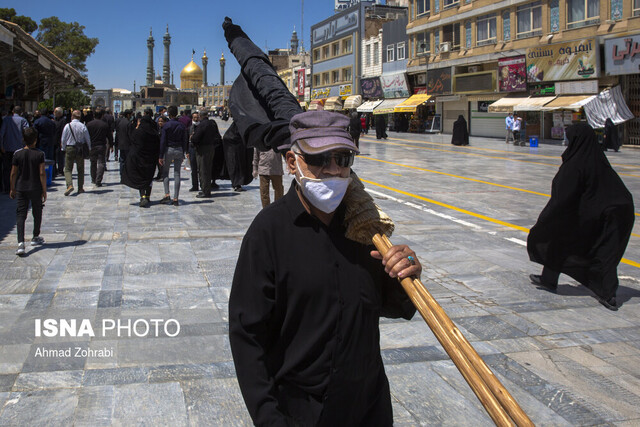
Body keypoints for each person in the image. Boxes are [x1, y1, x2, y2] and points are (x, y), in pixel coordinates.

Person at [229, 111, 419, 426]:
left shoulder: (364, 228)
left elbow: (389, 302)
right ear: (292, 162)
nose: (333, 170)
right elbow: (248, 334)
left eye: (343, 158)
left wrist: (407, 271)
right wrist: (269, 417)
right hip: (301, 413)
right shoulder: (269, 232)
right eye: (319, 159)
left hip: (368, 407)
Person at [527, 122, 634, 311]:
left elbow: (562, 198)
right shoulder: (597, 160)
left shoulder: (575, 165)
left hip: (606, 214)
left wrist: (545, 221)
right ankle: (549, 279)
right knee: (589, 246)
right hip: (620, 210)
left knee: (595, 250)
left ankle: (607, 293)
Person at [9, 127, 46, 256]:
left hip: (21, 188)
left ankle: (20, 243)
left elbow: (13, 173)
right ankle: (35, 236)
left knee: (21, 214)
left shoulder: (17, 154)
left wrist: (12, 188)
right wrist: (44, 190)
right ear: (35, 140)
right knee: (37, 211)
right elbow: (42, 173)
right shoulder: (40, 154)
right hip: (35, 187)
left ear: (23, 140)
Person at [121, 108, 160, 208]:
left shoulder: (139, 131)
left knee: (140, 177)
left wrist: (137, 127)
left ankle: (142, 196)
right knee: (149, 178)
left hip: (140, 158)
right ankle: (147, 196)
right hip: (151, 158)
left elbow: (132, 140)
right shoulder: (154, 132)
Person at [158, 105, 188, 206]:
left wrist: (161, 156)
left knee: (165, 172)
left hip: (169, 150)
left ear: (169, 114)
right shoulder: (182, 126)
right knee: (177, 174)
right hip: (179, 149)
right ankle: (176, 198)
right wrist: (183, 152)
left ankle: (167, 194)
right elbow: (185, 140)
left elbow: (163, 141)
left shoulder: (166, 126)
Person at [191, 110, 221, 198]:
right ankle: (205, 189)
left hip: (203, 149)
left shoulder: (202, 125)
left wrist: (192, 137)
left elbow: (196, 138)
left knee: (203, 170)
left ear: (200, 116)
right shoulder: (212, 124)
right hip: (211, 148)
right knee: (207, 169)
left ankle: (205, 191)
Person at [61, 110, 91, 196]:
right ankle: (80, 188)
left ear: (72, 116)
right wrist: (89, 148)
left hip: (69, 147)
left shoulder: (67, 126)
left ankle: (69, 185)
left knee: (67, 168)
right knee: (80, 169)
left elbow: (63, 139)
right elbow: (87, 138)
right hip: (80, 149)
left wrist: (63, 148)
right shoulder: (83, 126)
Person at [1, 106, 29, 193]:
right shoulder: (23, 120)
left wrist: (1, 146)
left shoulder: (6, 120)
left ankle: (7, 188)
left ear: (13, 111)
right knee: (20, 169)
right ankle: (18, 187)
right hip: (19, 149)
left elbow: (1, 134)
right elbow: (27, 133)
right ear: (21, 112)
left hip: (7, 148)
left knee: (7, 169)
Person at [86, 108, 110, 187]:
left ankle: (93, 179)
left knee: (93, 162)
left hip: (92, 146)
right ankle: (98, 180)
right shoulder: (104, 125)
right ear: (102, 116)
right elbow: (109, 136)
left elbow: (86, 136)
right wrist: (111, 145)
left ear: (94, 115)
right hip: (101, 146)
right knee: (101, 163)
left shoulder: (89, 124)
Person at [115, 109, 133, 177]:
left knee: (122, 160)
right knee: (128, 160)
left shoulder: (120, 122)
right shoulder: (128, 123)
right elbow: (130, 135)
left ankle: (122, 174)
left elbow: (117, 133)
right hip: (127, 144)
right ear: (128, 115)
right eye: (131, 115)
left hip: (121, 144)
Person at [188, 111, 200, 191]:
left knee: (201, 169)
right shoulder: (189, 127)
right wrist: (187, 151)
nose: (196, 119)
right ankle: (194, 185)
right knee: (193, 168)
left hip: (200, 149)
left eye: (197, 117)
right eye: (194, 117)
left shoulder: (202, 126)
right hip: (192, 148)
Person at [53, 107, 66, 176]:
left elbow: (63, 132)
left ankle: (60, 170)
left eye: (55, 112)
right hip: (54, 141)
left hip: (59, 141)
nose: (54, 113)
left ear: (60, 113)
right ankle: (54, 170)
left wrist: (62, 142)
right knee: (54, 156)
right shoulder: (54, 120)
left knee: (60, 156)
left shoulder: (63, 121)